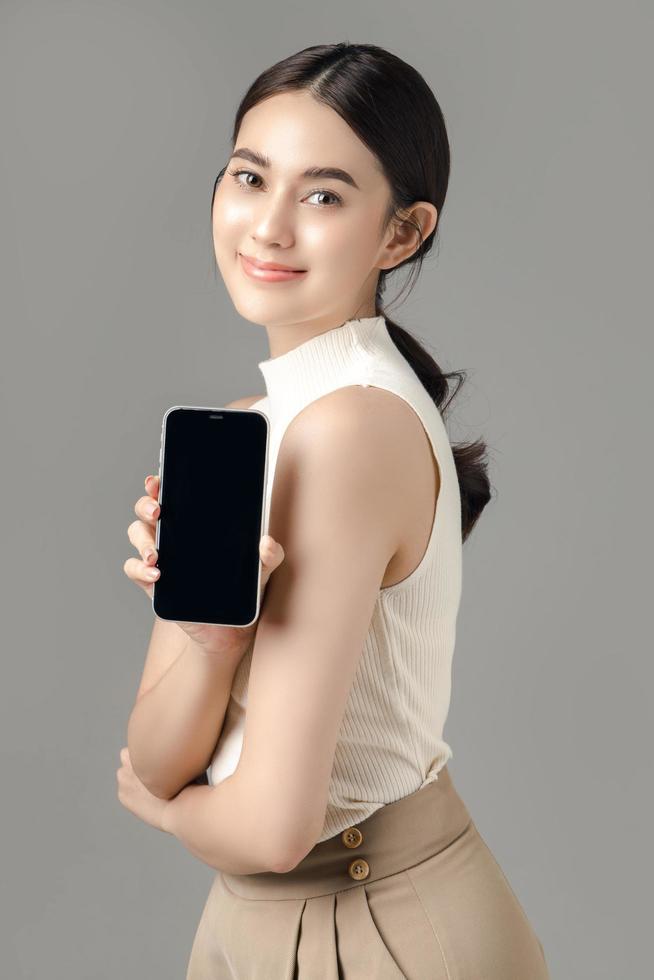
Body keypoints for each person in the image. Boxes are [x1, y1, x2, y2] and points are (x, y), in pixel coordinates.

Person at [119, 41, 550, 979]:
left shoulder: (352, 428)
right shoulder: (249, 428)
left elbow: (264, 824)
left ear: (402, 233)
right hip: (247, 925)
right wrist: (210, 643)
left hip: (377, 923)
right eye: (248, 177)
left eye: (322, 195)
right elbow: (150, 755)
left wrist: (168, 817)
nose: (267, 227)